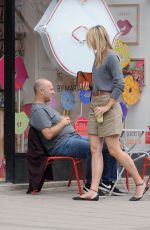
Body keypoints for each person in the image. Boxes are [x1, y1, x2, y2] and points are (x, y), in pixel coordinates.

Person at [73, 25, 149, 201]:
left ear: (97, 38)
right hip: (95, 103)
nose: (89, 43)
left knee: (114, 149)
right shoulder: (97, 56)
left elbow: (120, 84)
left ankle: (139, 183)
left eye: (90, 39)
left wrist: (107, 107)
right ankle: (93, 190)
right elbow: (102, 81)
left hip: (108, 105)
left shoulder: (111, 56)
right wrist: (88, 85)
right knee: (94, 149)